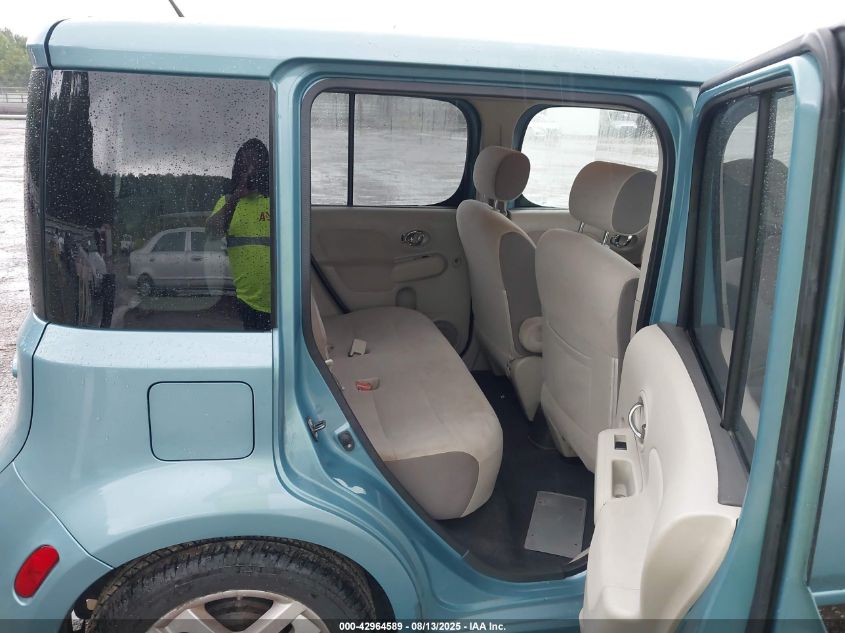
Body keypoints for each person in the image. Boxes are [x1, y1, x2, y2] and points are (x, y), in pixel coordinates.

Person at [206, 139, 272, 331]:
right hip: (248, 303)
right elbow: (212, 232)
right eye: (245, 166)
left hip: (285, 300)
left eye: (255, 166)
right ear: (237, 170)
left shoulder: (278, 200)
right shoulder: (227, 202)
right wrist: (236, 196)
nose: (250, 172)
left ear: (265, 169)